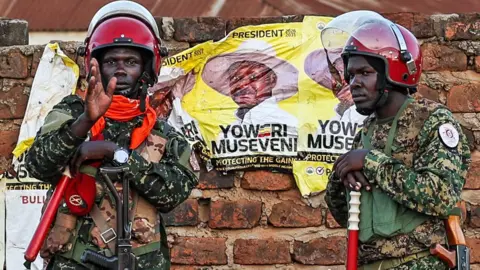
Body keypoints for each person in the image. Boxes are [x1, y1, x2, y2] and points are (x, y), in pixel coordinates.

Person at [25, 1, 198, 269]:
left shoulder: (160, 131)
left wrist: (114, 153)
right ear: (95, 66)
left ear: (147, 67)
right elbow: (37, 165)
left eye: (130, 61)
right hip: (74, 261)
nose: (120, 69)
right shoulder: (71, 113)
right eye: (111, 62)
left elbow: (172, 195)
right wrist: (84, 122)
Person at [323, 11, 471, 269]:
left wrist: (371, 162)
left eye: (365, 73)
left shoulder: (431, 120)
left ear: (395, 71)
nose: (354, 83)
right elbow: (345, 215)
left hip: (418, 262)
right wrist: (342, 173)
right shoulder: (366, 131)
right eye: (351, 75)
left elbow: (441, 195)